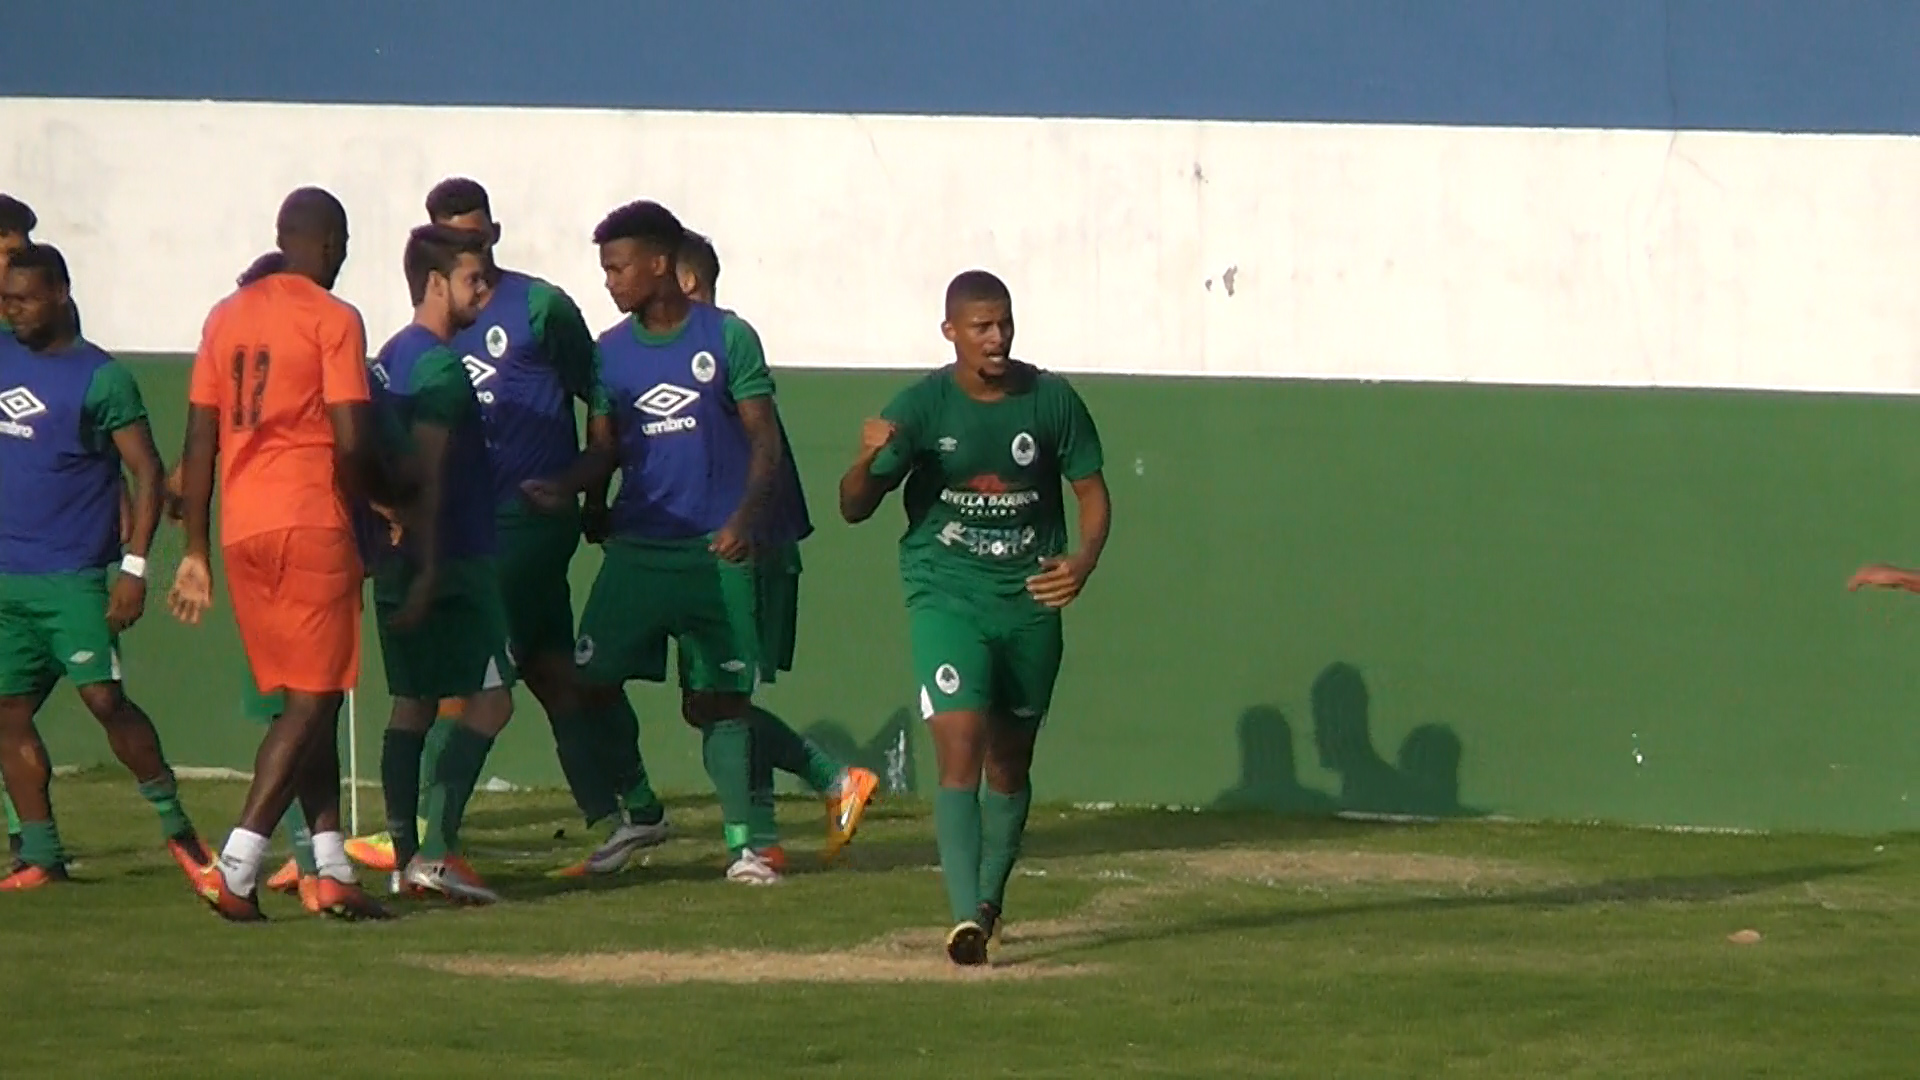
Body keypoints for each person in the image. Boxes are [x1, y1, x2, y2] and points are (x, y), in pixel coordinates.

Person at [342, 178, 663, 879]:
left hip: (527, 521)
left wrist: (590, 491)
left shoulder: (541, 306)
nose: (478, 263)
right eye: (462, 248)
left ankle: (426, 836)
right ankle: (624, 815)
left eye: (483, 238)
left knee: (480, 687)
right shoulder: (409, 350)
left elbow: (600, 403)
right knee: (544, 671)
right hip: (459, 534)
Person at [837, 270, 1111, 965]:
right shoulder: (924, 405)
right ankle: (963, 919)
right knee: (959, 742)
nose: (996, 338)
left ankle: (989, 901)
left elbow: (1091, 493)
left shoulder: (1051, 400)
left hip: (1029, 598)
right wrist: (868, 456)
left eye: (1005, 324)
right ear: (950, 332)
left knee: (1009, 762)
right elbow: (853, 505)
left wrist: (1082, 561)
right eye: (981, 326)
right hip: (946, 594)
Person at [522, 199, 781, 884]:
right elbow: (602, 448)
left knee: (722, 703)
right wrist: (574, 493)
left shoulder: (727, 338)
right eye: (605, 269)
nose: (609, 281)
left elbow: (765, 440)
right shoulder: (609, 354)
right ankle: (641, 809)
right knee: (588, 680)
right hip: (639, 547)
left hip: (713, 550)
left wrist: (743, 519)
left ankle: (745, 846)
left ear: (660, 265)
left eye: (618, 267)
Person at [170, 187, 404, 922]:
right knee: (309, 702)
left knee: (311, 696)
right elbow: (353, 437)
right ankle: (237, 865)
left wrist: (193, 550)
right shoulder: (333, 318)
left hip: (243, 531)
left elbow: (199, 440)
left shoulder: (225, 316)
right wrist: (381, 498)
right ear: (332, 243)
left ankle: (329, 867)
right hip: (310, 520)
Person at [0, 243, 211, 889]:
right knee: (7, 714)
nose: (15, 312)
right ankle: (40, 855)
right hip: (9, 579)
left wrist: (134, 567)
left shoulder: (102, 377)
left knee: (103, 699)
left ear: (61, 294)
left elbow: (146, 471)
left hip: (74, 577)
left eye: (26, 299)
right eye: (7, 300)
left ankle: (178, 829)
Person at [674, 229, 877, 871]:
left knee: (720, 699)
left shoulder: (723, 346)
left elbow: (757, 456)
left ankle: (813, 794)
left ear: (682, 282)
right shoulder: (683, 352)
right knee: (709, 702)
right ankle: (768, 829)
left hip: (748, 548)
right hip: (728, 548)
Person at [364, 224, 519, 904]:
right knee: (492, 702)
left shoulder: (386, 359)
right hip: (451, 560)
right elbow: (423, 474)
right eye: (472, 279)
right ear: (434, 284)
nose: (485, 289)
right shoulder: (441, 368)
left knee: (412, 705)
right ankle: (436, 851)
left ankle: (404, 861)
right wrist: (427, 568)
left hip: (400, 558)